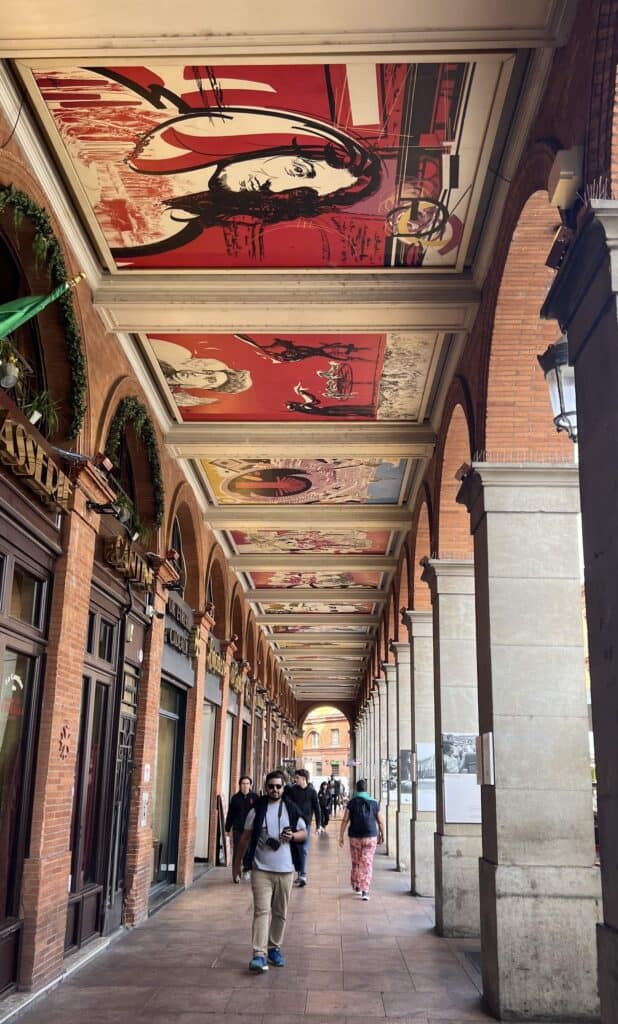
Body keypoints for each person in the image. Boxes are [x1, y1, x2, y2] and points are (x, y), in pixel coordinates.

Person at [107, 103, 382, 259]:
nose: (276, 189)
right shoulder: (124, 120)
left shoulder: (170, 229)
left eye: (303, 194)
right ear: (274, 142)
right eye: (299, 171)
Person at [233, 769, 306, 972]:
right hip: (261, 869)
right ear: (265, 788)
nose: (275, 789)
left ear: (283, 788)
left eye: (278, 786)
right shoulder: (257, 810)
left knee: (280, 912)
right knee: (261, 911)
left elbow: (304, 833)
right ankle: (259, 954)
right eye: (271, 786)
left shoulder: (291, 809)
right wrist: (236, 865)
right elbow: (245, 838)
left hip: (285, 870)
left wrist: (292, 836)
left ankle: (274, 947)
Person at [338, 778, 385, 901]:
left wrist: (341, 835)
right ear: (366, 789)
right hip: (370, 837)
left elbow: (345, 820)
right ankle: (365, 890)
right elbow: (380, 821)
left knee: (356, 862)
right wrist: (382, 834)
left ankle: (356, 885)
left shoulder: (352, 803)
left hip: (355, 837)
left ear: (356, 789)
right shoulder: (374, 803)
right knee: (367, 863)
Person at [287, 768, 322, 886]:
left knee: (303, 849)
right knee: (295, 849)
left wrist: (319, 825)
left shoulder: (312, 792)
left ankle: (303, 875)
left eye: (297, 778)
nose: (295, 780)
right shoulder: (292, 790)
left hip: (305, 824)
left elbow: (317, 809)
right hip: (293, 824)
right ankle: (299, 873)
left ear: (304, 779)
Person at [225, 775, 258, 882]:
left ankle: (247, 869)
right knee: (237, 851)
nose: (245, 786)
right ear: (239, 785)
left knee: (249, 850)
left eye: (247, 784)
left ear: (250, 785)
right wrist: (227, 828)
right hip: (238, 829)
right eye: (243, 784)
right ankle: (236, 874)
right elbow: (230, 814)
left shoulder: (255, 797)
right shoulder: (235, 798)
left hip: (251, 829)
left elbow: (259, 813)